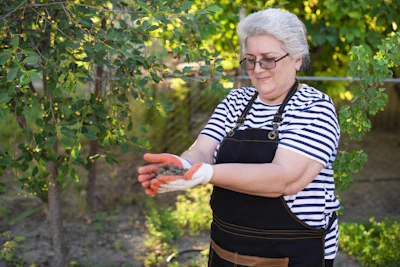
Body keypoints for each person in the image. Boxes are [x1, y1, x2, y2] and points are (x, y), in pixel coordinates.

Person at [138, 8, 340, 267]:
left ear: (297, 58)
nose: (257, 69)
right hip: (225, 251)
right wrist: (183, 167)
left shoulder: (313, 107)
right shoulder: (236, 101)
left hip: (293, 256)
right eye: (250, 59)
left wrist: (207, 174)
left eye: (268, 59)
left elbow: (284, 179)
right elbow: (201, 151)